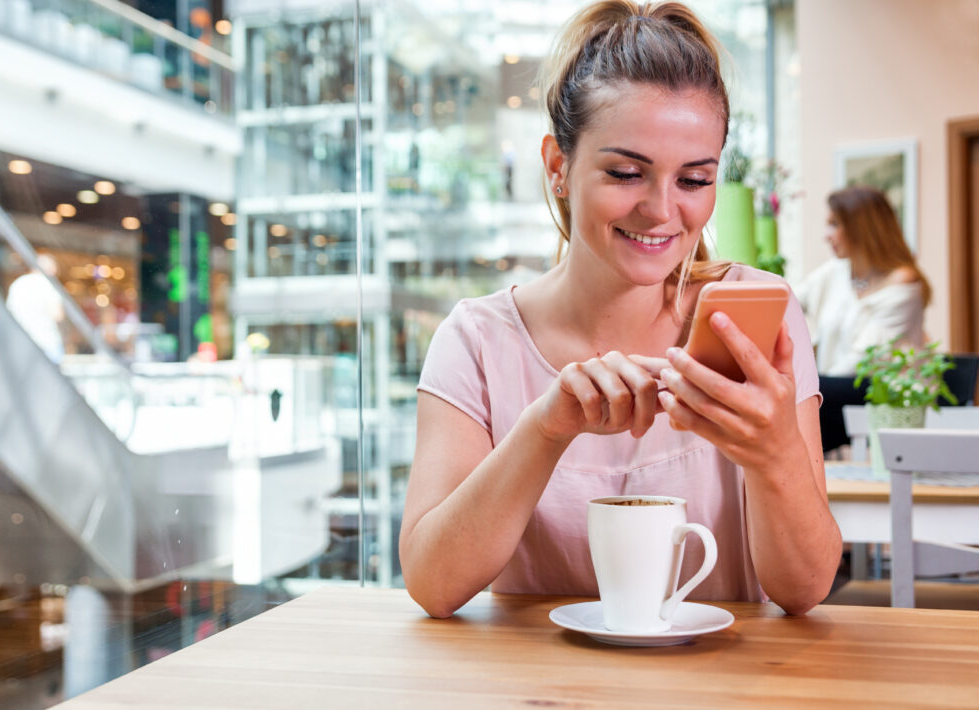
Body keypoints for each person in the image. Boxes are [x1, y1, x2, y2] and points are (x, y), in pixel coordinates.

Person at [398, 0, 842, 620]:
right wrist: (545, 428)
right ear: (558, 166)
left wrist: (775, 456)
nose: (662, 211)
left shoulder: (753, 318)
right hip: (539, 687)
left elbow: (804, 589)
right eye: (627, 172)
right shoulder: (476, 340)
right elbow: (431, 584)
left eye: (694, 180)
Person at [795, 185, 930, 451]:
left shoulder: (903, 285)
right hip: (833, 394)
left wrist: (809, 388)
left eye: (834, 225)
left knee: (794, 406)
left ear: (861, 228)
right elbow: (785, 302)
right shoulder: (836, 271)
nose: (827, 236)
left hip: (876, 396)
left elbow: (862, 361)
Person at [6, 253, 66, 364]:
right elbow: (58, 315)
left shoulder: (18, 284)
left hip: (23, 341)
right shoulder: (48, 285)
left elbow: (10, 313)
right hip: (47, 341)